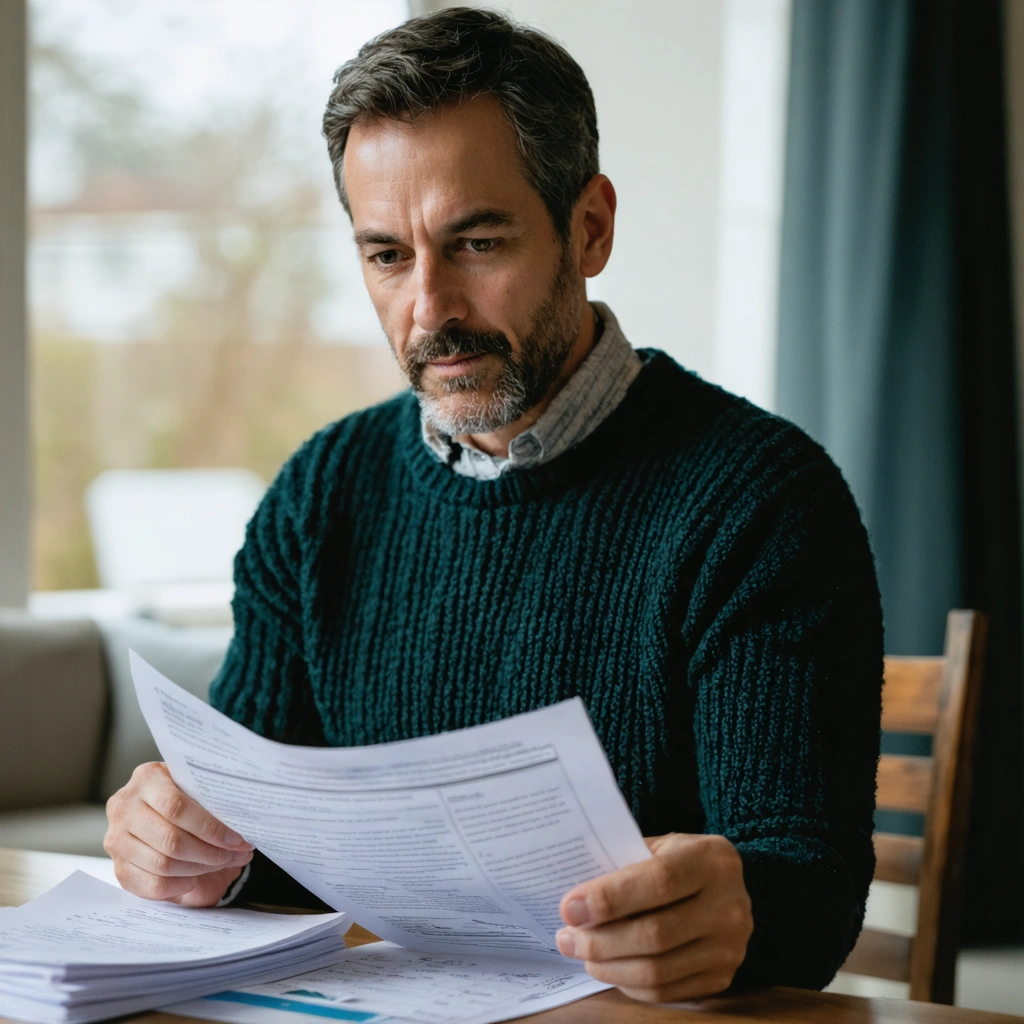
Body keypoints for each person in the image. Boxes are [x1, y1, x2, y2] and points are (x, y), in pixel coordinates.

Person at [104, 7, 883, 1003]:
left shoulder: (759, 503)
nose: (429, 311)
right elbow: (267, 844)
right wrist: (192, 851)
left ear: (589, 226)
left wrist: (738, 911)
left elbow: (806, 897)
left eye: (474, 242)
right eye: (387, 255)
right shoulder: (318, 495)